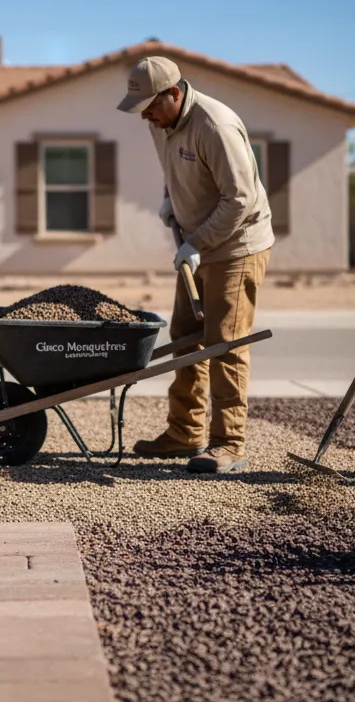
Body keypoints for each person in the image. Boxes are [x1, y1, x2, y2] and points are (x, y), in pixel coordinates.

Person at [117, 55, 274, 474]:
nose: (145, 115)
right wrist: (172, 199)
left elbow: (239, 199)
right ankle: (185, 432)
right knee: (186, 336)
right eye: (141, 108)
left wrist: (199, 241)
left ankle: (229, 443)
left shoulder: (214, 125)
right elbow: (175, 169)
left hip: (237, 245)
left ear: (174, 92)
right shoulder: (161, 123)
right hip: (197, 244)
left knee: (225, 341)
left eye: (151, 105)